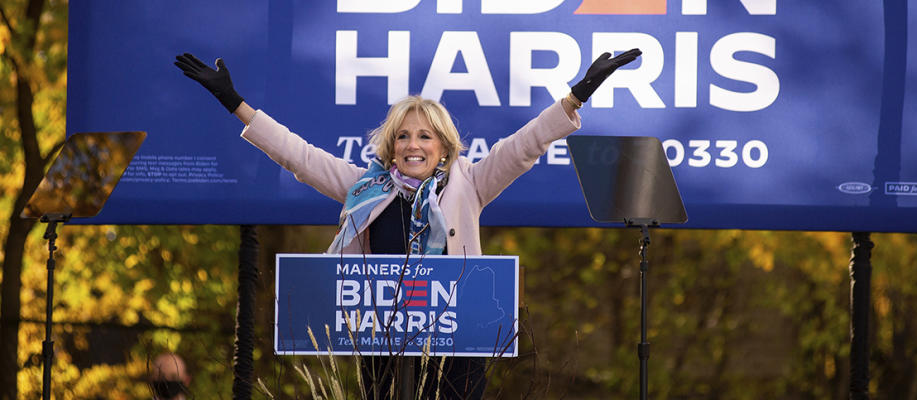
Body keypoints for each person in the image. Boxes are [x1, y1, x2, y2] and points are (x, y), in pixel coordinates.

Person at [174, 48, 639, 399]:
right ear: (391, 145)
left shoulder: (470, 183)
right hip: (382, 338)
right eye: (403, 135)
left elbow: (524, 145)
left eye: (424, 135)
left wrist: (577, 95)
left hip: (456, 343)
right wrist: (234, 101)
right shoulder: (363, 187)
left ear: (443, 145)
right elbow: (297, 154)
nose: (412, 144)